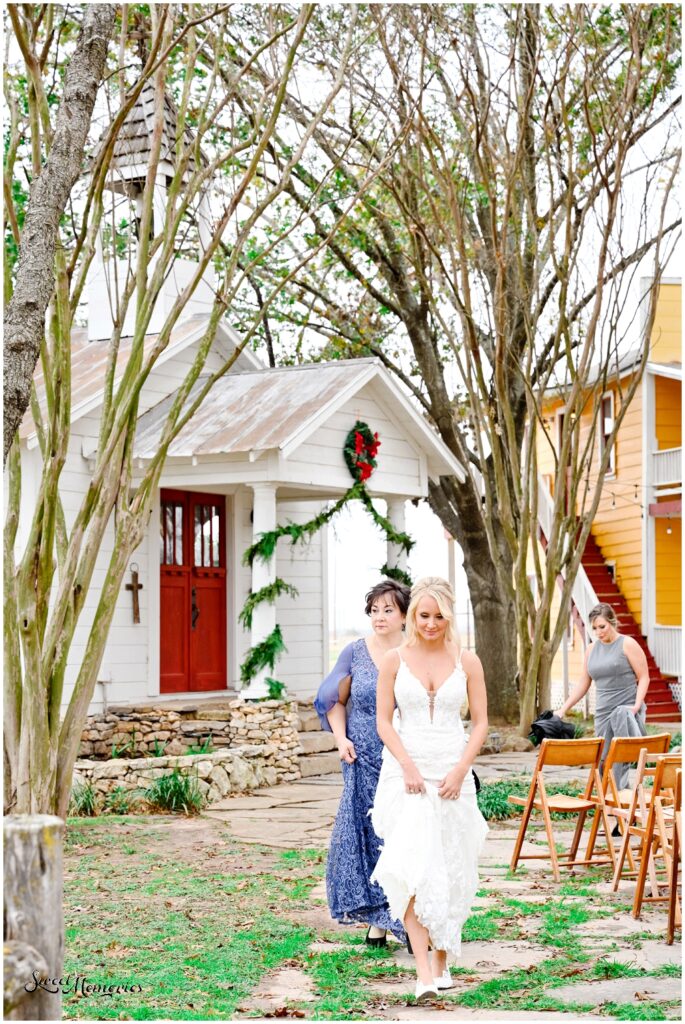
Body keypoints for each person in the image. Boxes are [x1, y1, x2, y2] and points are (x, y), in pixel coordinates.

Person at [370, 576, 489, 1002]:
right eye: (424, 615)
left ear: (449, 616)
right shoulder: (394, 661)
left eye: (440, 616)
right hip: (408, 774)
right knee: (412, 869)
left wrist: (461, 770)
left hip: (452, 773)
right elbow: (385, 721)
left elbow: (480, 723)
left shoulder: (467, 661)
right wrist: (407, 765)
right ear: (412, 615)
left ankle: (442, 959)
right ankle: (422, 971)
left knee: (453, 869)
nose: (432, 623)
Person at [314, 579, 411, 946]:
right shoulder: (355, 652)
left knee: (398, 836)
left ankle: (396, 915)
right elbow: (333, 701)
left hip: (402, 757)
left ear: (405, 615)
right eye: (374, 610)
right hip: (361, 755)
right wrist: (341, 739)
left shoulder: (414, 652)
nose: (379, 617)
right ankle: (379, 917)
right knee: (367, 835)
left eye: (388, 610)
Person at [557, 602, 650, 793]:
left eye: (602, 626)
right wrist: (563, 709)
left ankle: (617, 812)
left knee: (617, 762)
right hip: (602, 713)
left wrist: (636, 706)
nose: (598, 632)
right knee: (602, 763)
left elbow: (644, 677)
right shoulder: (591, 649)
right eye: (594, 628)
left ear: (612, 622)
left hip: (625, 712)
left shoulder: (627, 644)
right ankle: (617, 808)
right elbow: (584, 682)